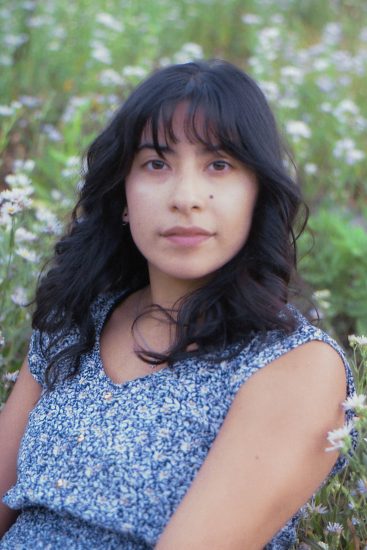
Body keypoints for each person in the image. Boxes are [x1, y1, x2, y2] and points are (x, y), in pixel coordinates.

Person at [0, 59, 357, 549]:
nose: (186, 197)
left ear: (257, 192)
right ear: (123, 194)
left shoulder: (296, 365)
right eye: (155, 164)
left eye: (219, 164)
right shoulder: (75, 322)